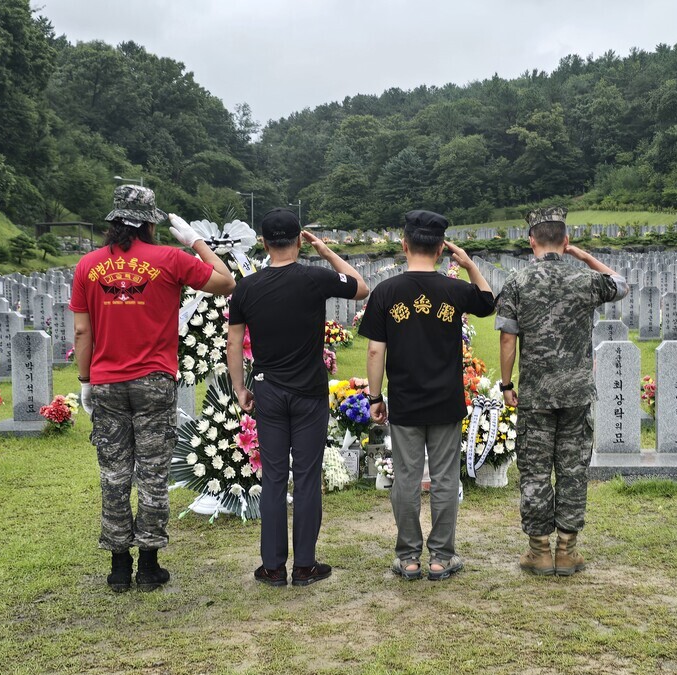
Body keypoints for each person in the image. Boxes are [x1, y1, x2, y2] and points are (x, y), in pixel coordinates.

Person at [70, 185, 236, 592]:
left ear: (113, 221)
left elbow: (80, 331)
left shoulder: (87, 266)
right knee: (152, 472)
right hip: (154, 381)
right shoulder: (170, 259)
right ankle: (148, 566)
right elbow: (225, 281)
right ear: (150, 222)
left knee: (113, 474)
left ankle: (118, 567)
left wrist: (85, 381)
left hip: (107, 382)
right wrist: (195, 240)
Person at [226, 209, 369, 588]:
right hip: (309, 390)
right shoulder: (315, 278)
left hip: (268, 389)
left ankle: (272, 566)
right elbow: (361, 286)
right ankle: (305, 564)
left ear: (263, 242)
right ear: (299, 239)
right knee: (306, 478)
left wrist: (240, 388)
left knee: (273, 479)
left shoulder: (246, 288)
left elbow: (235, 341)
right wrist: (325, 253)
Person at [359, 210, 495, 581]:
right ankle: (441, 557)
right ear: (440, 249)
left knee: (405, 478)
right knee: (445, 478)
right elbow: (487, 302)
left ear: (404, 246)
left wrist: (374, 398)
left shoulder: (386, 292)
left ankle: (408, 558)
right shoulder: (453, 290)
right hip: (445, 400)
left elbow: (375, 351)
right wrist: (468, 265)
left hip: (405, 401)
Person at [495, 206, 628, 577]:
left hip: (535, 394)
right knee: (572, 470)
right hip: (576, 392)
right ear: (565, 241)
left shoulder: (518, 282)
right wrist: (582, 256)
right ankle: (567, 551)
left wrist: (506, 384)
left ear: (531, 241)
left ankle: (539, 552)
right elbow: (621, 284)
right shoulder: (583, 280)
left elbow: (508, 338)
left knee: (535, 471)